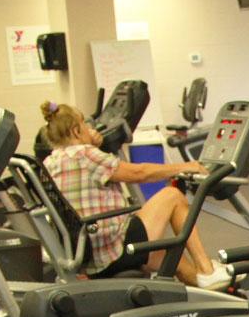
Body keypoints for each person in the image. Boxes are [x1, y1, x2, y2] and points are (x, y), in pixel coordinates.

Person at [38, 101, 228, 288]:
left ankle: (211, 290)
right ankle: (207, 270)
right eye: (84, 125)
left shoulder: (50, 162)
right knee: (173, 196)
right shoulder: (85, 155)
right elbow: (139, 173)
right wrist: (186, 166)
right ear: (75, 131)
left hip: (85, 250)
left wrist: (95, 145)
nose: (89, 128)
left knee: (164, 255)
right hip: (111, 246)